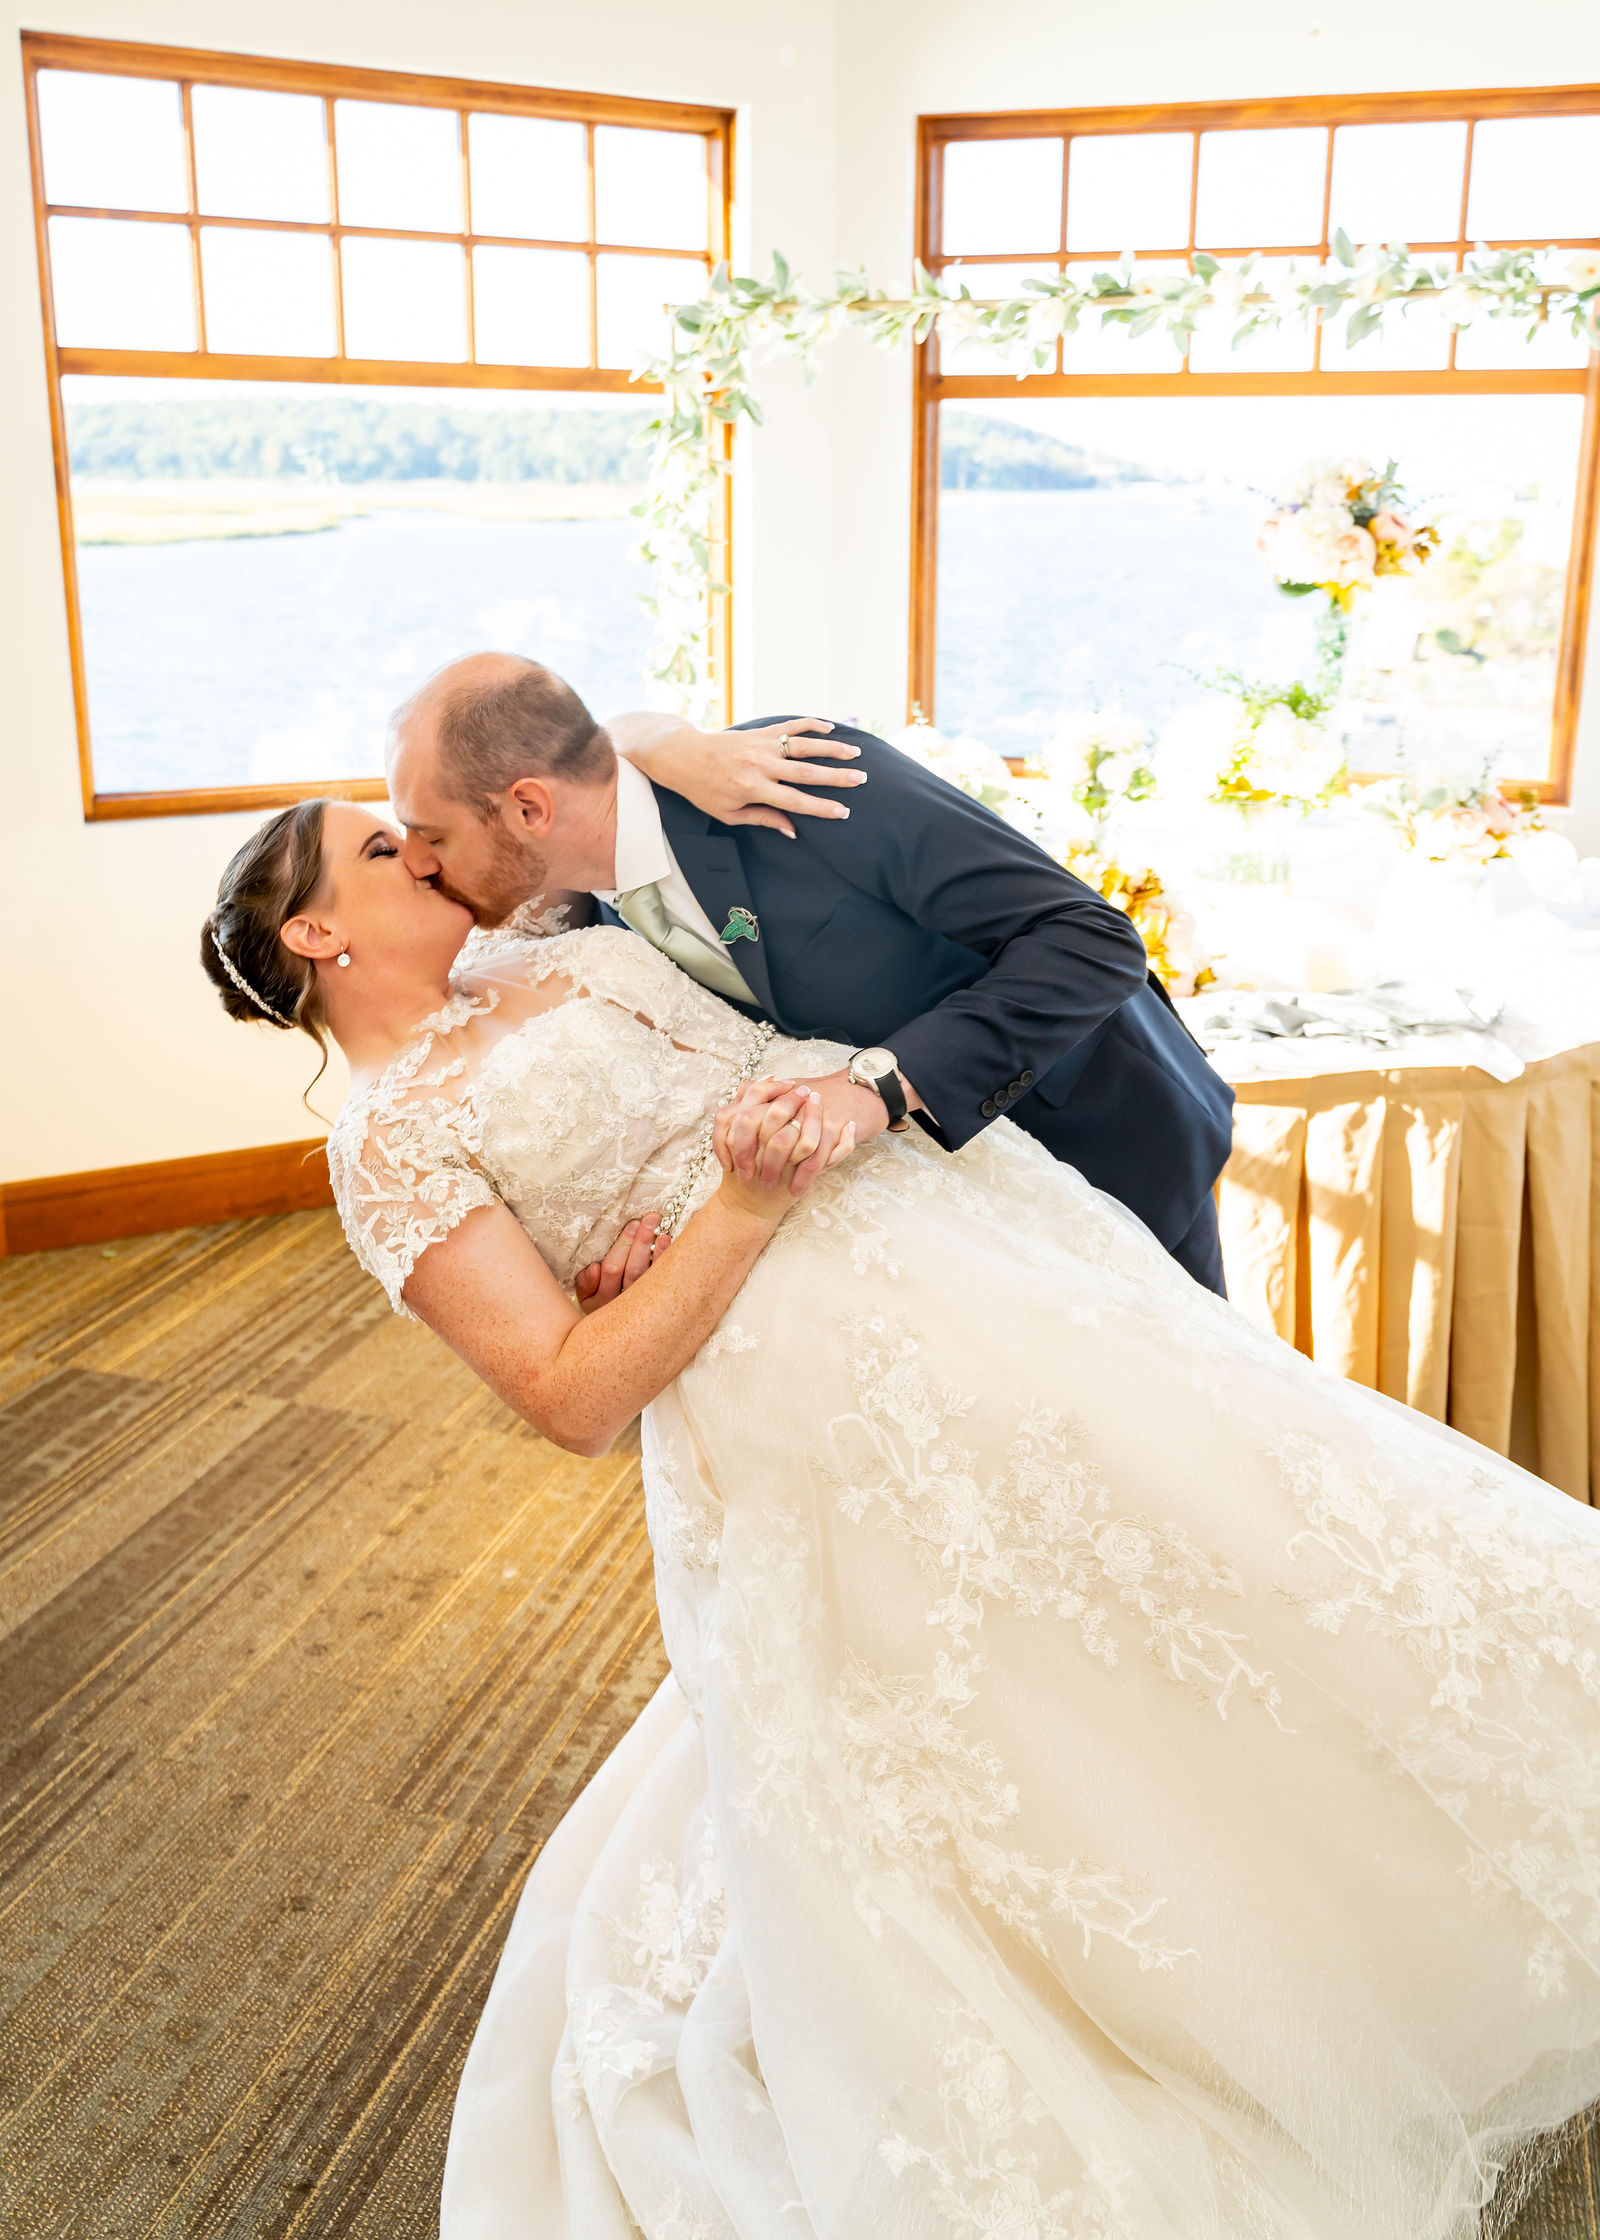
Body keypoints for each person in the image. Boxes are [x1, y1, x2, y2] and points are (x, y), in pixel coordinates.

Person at [204, 791, 1600, 2240]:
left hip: (980, 1228)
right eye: (380, 852)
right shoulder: (388, 1145)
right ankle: (1192, 2004)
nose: (420, 852)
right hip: (807, 1372)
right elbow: (568, 1397)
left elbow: (560, 779)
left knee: (1246, 1513)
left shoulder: (537, 935)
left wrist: (672, 746)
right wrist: (730, 1211)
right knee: (1004, 1681)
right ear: (316, 932)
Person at [382, 653, 1236, 1296]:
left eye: (433, 834)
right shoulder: (587, 918)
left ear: (530, 808)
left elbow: (1091, 938)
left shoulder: (799, 775)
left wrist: (876, 1087)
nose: (416, 863)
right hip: (957, 1225)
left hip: (1107, 1141)